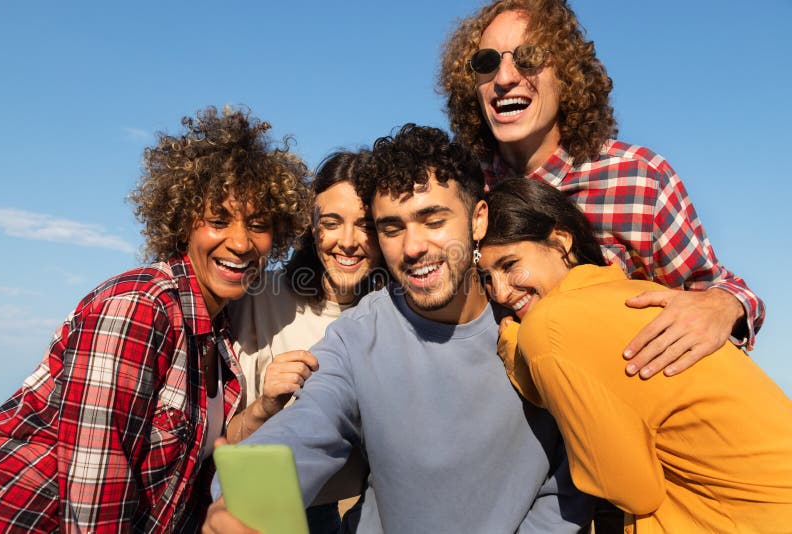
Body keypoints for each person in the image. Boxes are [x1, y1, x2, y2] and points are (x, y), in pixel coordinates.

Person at [202, 124, 593, 533]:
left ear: (478, 220)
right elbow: (310, 425)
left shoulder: (534, 320)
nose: (412, 247)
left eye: (432, 220)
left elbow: (567, 485)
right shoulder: (358, 335)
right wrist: (246, 499)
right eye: (391, 228)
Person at [0, 107, 311, 532]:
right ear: (183, 223)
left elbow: (201, 448)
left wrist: (264, 408)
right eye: (218, 221)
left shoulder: (216, 329)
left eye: (258, 224)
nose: (240, 242)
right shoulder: (140, 307)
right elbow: (95, 482)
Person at [438, 0, 765, 379]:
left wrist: (724, 306)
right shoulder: (461, 191)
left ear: (568, 75)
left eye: (528, 58)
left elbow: (719, 292)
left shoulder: (639, 180)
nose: (505, 77)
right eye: (487, 62)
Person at [479, 178, 792, 532]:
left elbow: (629, 490)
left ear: (561, 241)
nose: (500, 293)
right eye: (486, 278)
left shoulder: (547, 327)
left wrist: (515, 350)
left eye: (509, 265)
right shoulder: (638, 292)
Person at [226, 150, 385, 533]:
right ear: (310, 227)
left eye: (364, 225)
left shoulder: (392, 316)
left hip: (358, 513)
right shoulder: (258, 296)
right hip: (257, 505)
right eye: (331, 222)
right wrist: (266, 405)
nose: (348, 242)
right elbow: (222, 436)